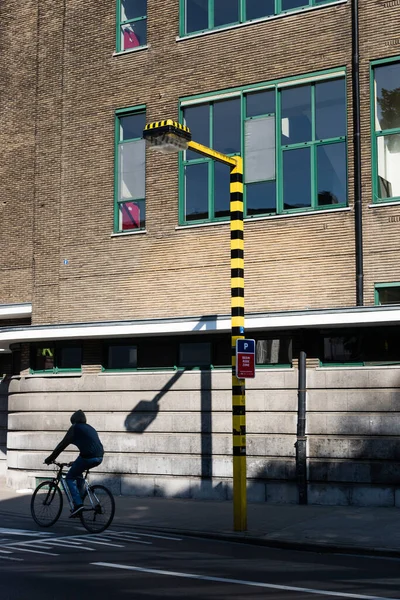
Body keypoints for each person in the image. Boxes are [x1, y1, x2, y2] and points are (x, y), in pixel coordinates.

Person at [44, 410, 104, 517]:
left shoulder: (75, 428)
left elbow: (61, 445)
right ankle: (80, 500)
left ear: (74, 421)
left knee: (69, 478)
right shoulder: (90, 428)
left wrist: (50, 458)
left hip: (88, 457)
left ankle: (78, 505)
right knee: (78, 474)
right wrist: (75, 462)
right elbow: (88, 448)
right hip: (99, 457)